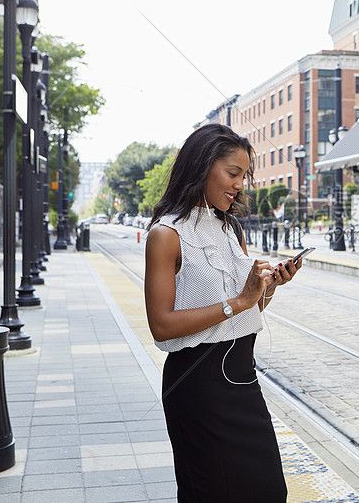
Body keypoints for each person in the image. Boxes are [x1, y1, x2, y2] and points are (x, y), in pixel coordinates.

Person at [145, 124, 302, 502]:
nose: (240, 185)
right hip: (197, 385)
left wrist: (266, 290)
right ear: (201, 167)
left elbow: (242, 312)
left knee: (268, 491)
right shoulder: (166, 235)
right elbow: (161, 326)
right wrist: (241, 300)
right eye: (233, 174)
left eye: (244, 176)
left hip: (242, 379)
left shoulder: (230, 227)